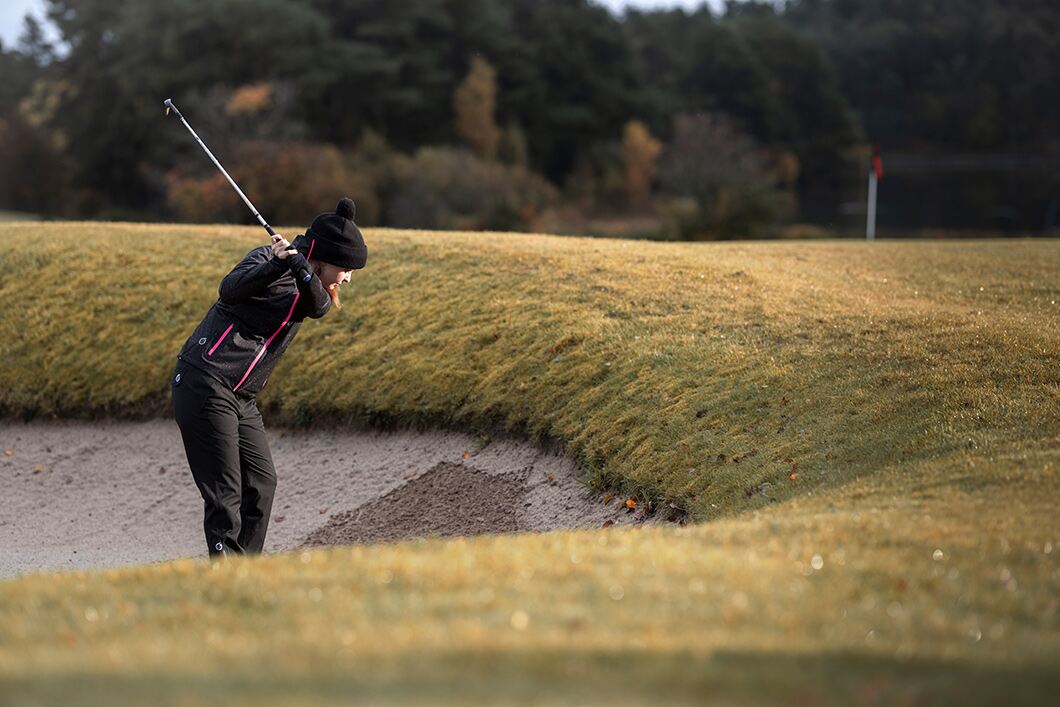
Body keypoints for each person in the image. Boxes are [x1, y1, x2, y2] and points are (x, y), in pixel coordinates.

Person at [171, 197, 367, 558]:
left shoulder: (313, 288)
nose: (348, 279)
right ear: (324, 257)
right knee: (225, 492)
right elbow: (229, 290)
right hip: (205, 380)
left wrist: (299, 267)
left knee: (261, 483)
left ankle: (246, 572)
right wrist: (277, 265)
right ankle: (225, 578)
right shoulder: (264, 257)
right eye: (346, 269)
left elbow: (317, 306)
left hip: (240, 397)